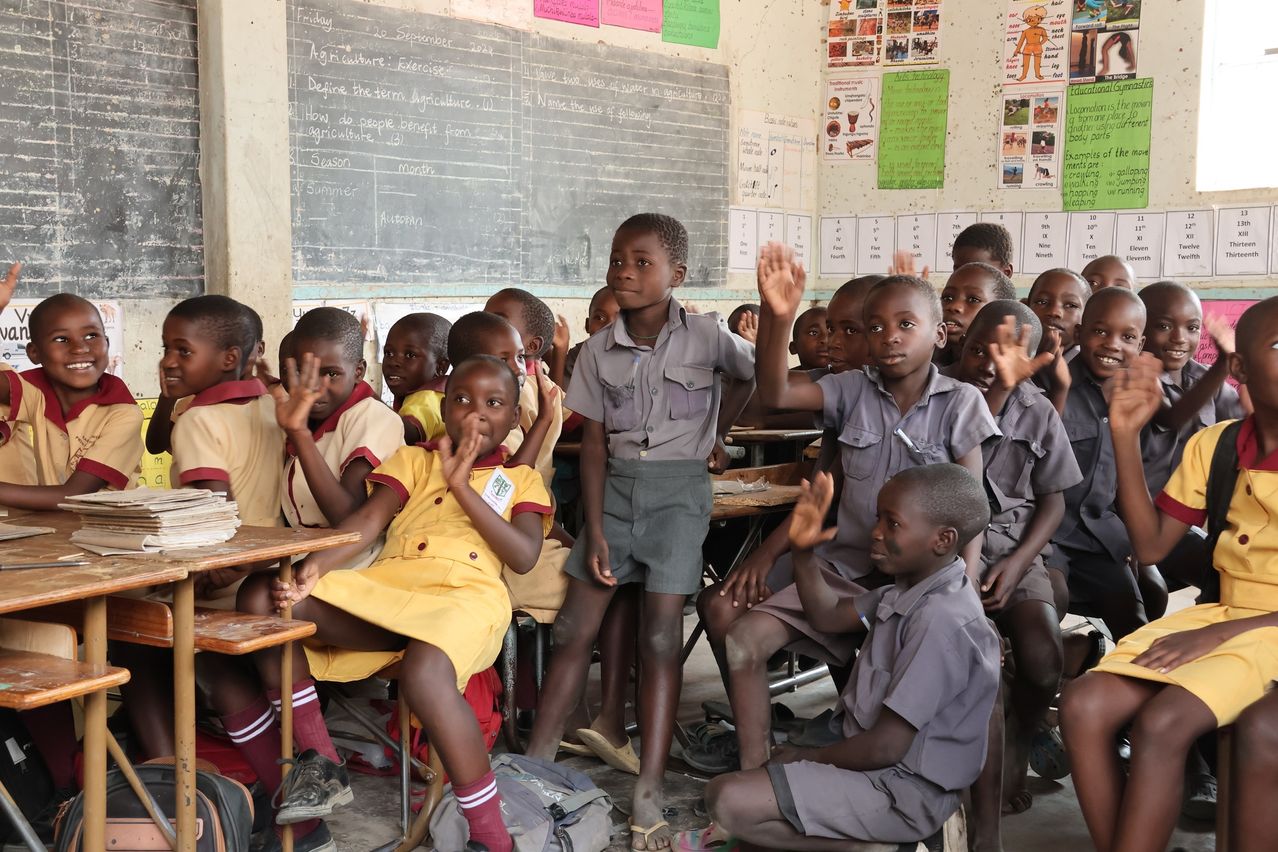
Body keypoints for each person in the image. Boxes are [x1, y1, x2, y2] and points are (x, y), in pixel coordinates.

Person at [229, 354, 553, 852]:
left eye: (494, 403)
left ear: (514, 418)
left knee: (425, 672)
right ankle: (319, 760)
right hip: (393, 590)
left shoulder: (520, 480)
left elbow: (525, 556)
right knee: (263, 596)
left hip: (466, 600)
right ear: (444, 408)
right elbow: (367, 523)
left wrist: (463, 485)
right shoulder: (414, 460)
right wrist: (318, 566)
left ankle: (492, 840)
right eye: (462, 400)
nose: (476, 413)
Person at [709, 245, 997, 782]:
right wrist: (778, 316)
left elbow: (970, 509)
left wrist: (970, 585)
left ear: (938, 335)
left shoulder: (961, 403)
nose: (890, 336)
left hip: (918, 583)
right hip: (841, 571)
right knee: (743, 638)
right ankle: (761, 774)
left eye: (906, 324)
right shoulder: (850, 391)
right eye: (876, 327)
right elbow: (773, 391)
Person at [524, 213, 755, 851]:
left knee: (660, 638)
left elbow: (750, 375)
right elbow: (592, 447)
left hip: (681, 497)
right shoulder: (596, 351)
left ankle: (649, 782)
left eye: (641, 261)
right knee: (574, 628)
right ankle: (536, 767)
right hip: (615, 496)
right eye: (617, 259)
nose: (624, 270)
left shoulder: (709, 337)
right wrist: (593, 529)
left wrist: (718, 436)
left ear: (676, 275)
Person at [1059, 296, 1278, 852]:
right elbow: (1151, 546)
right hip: (1227, 613)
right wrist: (1124, 436)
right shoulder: (1218, 445)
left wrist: (1215, 633)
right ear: (1241, 368)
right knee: (1084, 705)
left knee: (1162, 723)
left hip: (1263, 628)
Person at [699, 465, 1000, 850]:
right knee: (747, 795)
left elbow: (886, 747)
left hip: (902, 791)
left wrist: (807, 759)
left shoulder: (941, 620)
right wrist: (803, 552)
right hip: (879, 770)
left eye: (892, 524)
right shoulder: (905, 592)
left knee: (728, 801)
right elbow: (826, 614)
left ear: (942, 540)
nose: (875, 531)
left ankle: (879, 846)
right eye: (878, 518)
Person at [686, 274, 881, 774]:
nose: (833, 342)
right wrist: (764, 555)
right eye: (828, 330)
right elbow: (816, 496)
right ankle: (758, 739)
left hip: (877, 567)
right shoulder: (841, 398)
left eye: (848, 331)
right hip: (828, 555)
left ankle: (850, 725)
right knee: (720, 602)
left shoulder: (939, 401)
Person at [947, 302, 1081, 837]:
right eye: (980, 348)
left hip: (1012, 550)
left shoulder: (1038, 408)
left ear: (1029, 358)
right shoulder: (937, 393)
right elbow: (951, 483)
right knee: (969, 668)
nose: (989, 363)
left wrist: (1023, 561)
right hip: (946, 551)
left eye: (1008, 353)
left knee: (1043, 659)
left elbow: (1053, 501)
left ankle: (1024, 734)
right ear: (961, 343)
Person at [0, 262, 143, 508]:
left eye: (91, 336)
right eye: (61, 339)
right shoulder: (38, 394)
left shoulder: (123, 413)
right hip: (64, 533)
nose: (80, 348)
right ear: (35, 353)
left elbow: (74, 494)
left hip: (118, 535)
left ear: (107, 343)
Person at [1052, 287, 1149, 643]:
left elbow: (1127, 483)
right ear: (1079, 333)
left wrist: (1135, 544)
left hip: (1099, 538)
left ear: (1140, 346)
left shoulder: (1138, 397)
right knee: (1049, 600)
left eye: (1127, 337)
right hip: (1048, 537)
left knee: (1134, 614)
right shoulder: (1054, 382)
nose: (1112, 344)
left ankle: (1115, 679)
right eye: (1100, 331)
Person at [274, 307, 405, 549]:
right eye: (303, 372)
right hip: (303, 552)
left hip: (356, 560)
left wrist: (299, 434)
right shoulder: (300, 418)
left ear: (358, 371)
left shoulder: (372, 417)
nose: (315, 387)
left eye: (331, 374)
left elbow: (348, 521)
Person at [1024, 267, 1090, 414]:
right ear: (1026, 307)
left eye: (1071, 305)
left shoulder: (1091, 372)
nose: (1054, 312)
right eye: (1042, 302)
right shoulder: (1009, 359)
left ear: (1087, 318)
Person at [382, 312, 451, 444]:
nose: (393, 362)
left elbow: (409, 435)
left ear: (440, 367)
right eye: (388, 353)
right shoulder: (443, 391)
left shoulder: (425, 398)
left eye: (410, 355)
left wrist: (372, 403)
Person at [937, 262, 1017, 365]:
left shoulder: (1004, 375)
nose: (954, 306)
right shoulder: (925, 366)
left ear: (1001, 313)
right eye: (947, 298)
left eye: (973, 300)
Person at [557, 285, 620, 388]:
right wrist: (560, 351)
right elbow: (559, 399)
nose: (608, 327)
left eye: (620, 320)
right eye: (599, 318)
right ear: (587, 325)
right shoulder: (579, 355)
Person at [789, 305, 829, 372]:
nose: (825, 340)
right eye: (813, 333)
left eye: (831, 331)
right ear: (794, 347)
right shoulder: (781, 380)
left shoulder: (849, 380)